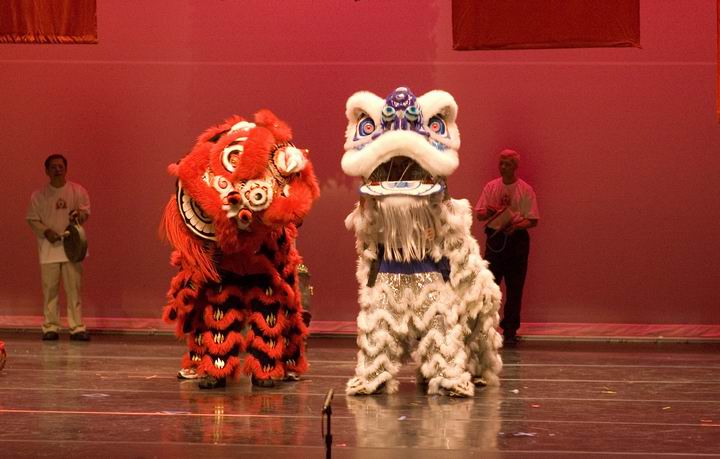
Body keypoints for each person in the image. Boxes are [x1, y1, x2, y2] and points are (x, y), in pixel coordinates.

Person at [475, 149, 539, 345]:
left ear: (515, 167)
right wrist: (490, 212)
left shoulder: (525, 189)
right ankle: (486, 328)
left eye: (507, 164)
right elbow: (479, 213)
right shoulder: (491, 187)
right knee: (489, 285)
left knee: (515, 287)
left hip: (516, 241)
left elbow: (533, 220)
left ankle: (510, 330)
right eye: (501, 163)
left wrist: (516, 225)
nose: (503, 167)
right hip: (495, 240)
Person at [27, 154, 91, 341]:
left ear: (66, 168)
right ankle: (50, 327)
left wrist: (78, 215)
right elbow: (32, 219)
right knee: (50, 290)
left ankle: (77, 327)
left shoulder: (77, 191)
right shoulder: (39, 196)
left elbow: (85, 212)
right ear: (47, 171)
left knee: (74, 290)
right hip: (49, 249)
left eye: (60, 166)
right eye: (53, 167)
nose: (57, 169)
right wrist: (46, 231)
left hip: (73, 248)